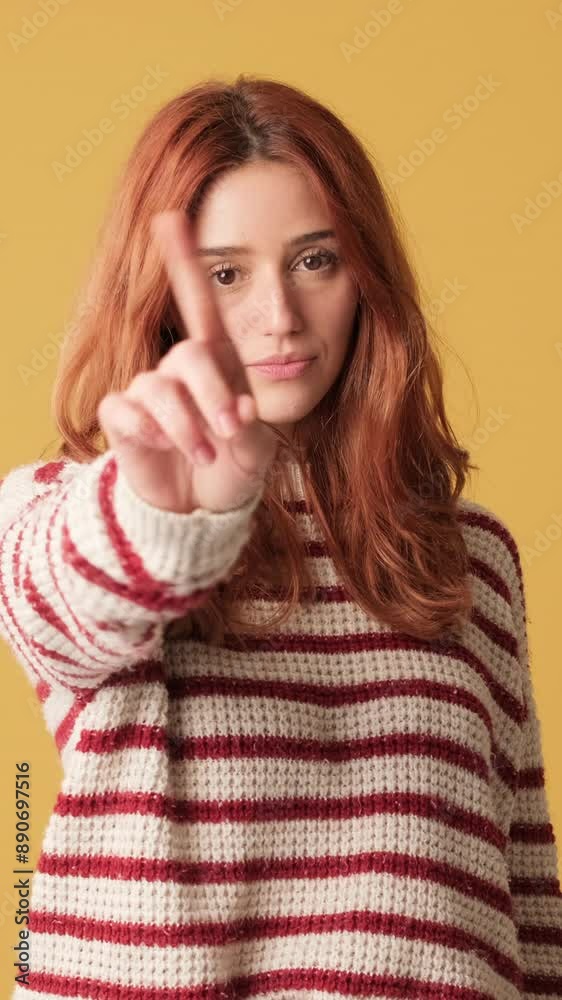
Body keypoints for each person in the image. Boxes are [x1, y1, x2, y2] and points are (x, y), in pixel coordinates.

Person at [1, 73, 561, 1000]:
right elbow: (67, 600)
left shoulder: (472, 557)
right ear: (165, 298)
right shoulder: (69, 510)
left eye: (315, 260)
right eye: (226, 274)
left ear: (366, 274)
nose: (280, 317)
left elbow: (526, 897)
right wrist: (169, 521)